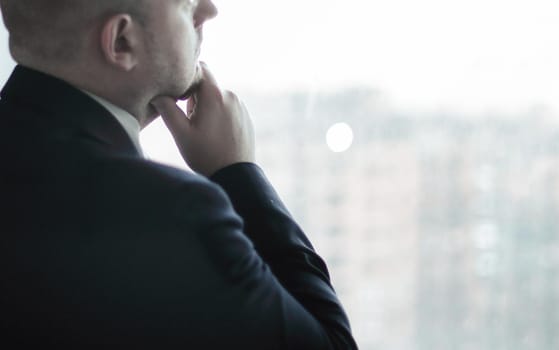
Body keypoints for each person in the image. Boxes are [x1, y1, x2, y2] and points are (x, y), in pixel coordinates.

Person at [0, 0, 357, 348]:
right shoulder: (171, 213)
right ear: (121, 41)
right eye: (187, 4)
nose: (210, 10)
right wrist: (237, 172)